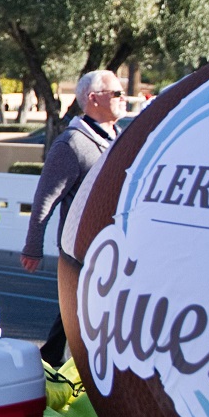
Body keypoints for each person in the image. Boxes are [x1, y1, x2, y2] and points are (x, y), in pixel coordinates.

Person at [23, 69, 124, 364]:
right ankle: (50, 369)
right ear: (93, 99)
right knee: (79, 312)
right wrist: (33, 246)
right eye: (116, 94)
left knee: (84, 313)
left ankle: (55, 367)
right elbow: (45, 198)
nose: (123, 99)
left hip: (115, 247)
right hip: (83, 250)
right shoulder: (71, 145)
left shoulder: (119, 138)